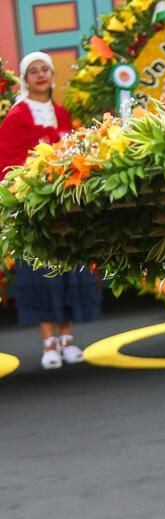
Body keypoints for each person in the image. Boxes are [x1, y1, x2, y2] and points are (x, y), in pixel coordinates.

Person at [0, 52, 101, 369]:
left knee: (68, 271)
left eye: (45, 69)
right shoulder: (16, 117)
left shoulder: (63, 114)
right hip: (34, 207)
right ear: (26, 79)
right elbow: (7, 163)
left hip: (66, 208)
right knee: (40, 273)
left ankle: (68, 340)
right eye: (34, 71)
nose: (41, 75)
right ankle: (48, 344)